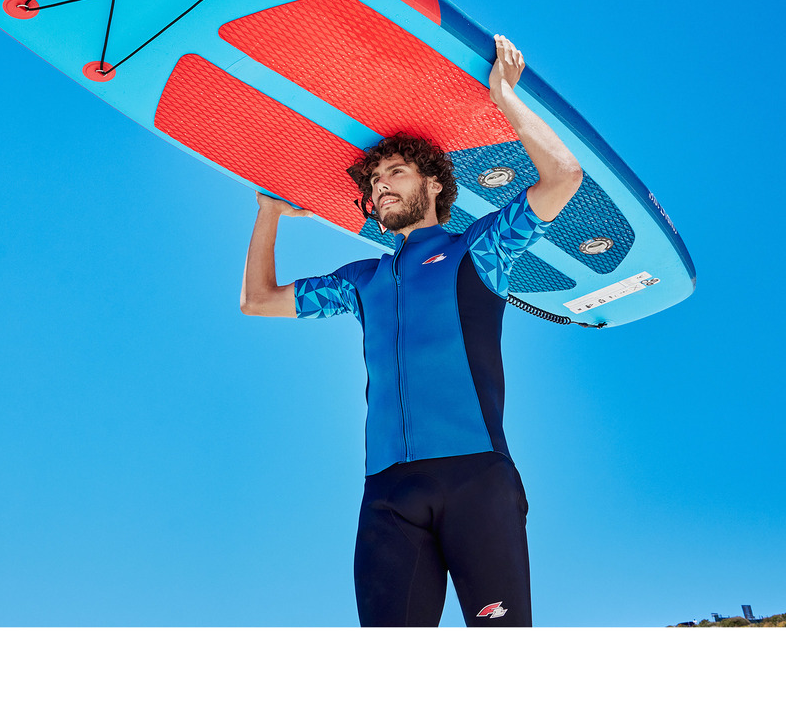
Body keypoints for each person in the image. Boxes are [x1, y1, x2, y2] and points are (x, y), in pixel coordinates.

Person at [239, 35, 583, 627]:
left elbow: (563, 178)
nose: (380, 187)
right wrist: (268, 212)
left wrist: (504, 96)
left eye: (395, 172)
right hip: (387, 496)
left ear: (434, 185)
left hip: (475, 479)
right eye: (374, 182)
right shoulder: (360, 281)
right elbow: (258, 300)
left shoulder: (477, 250)